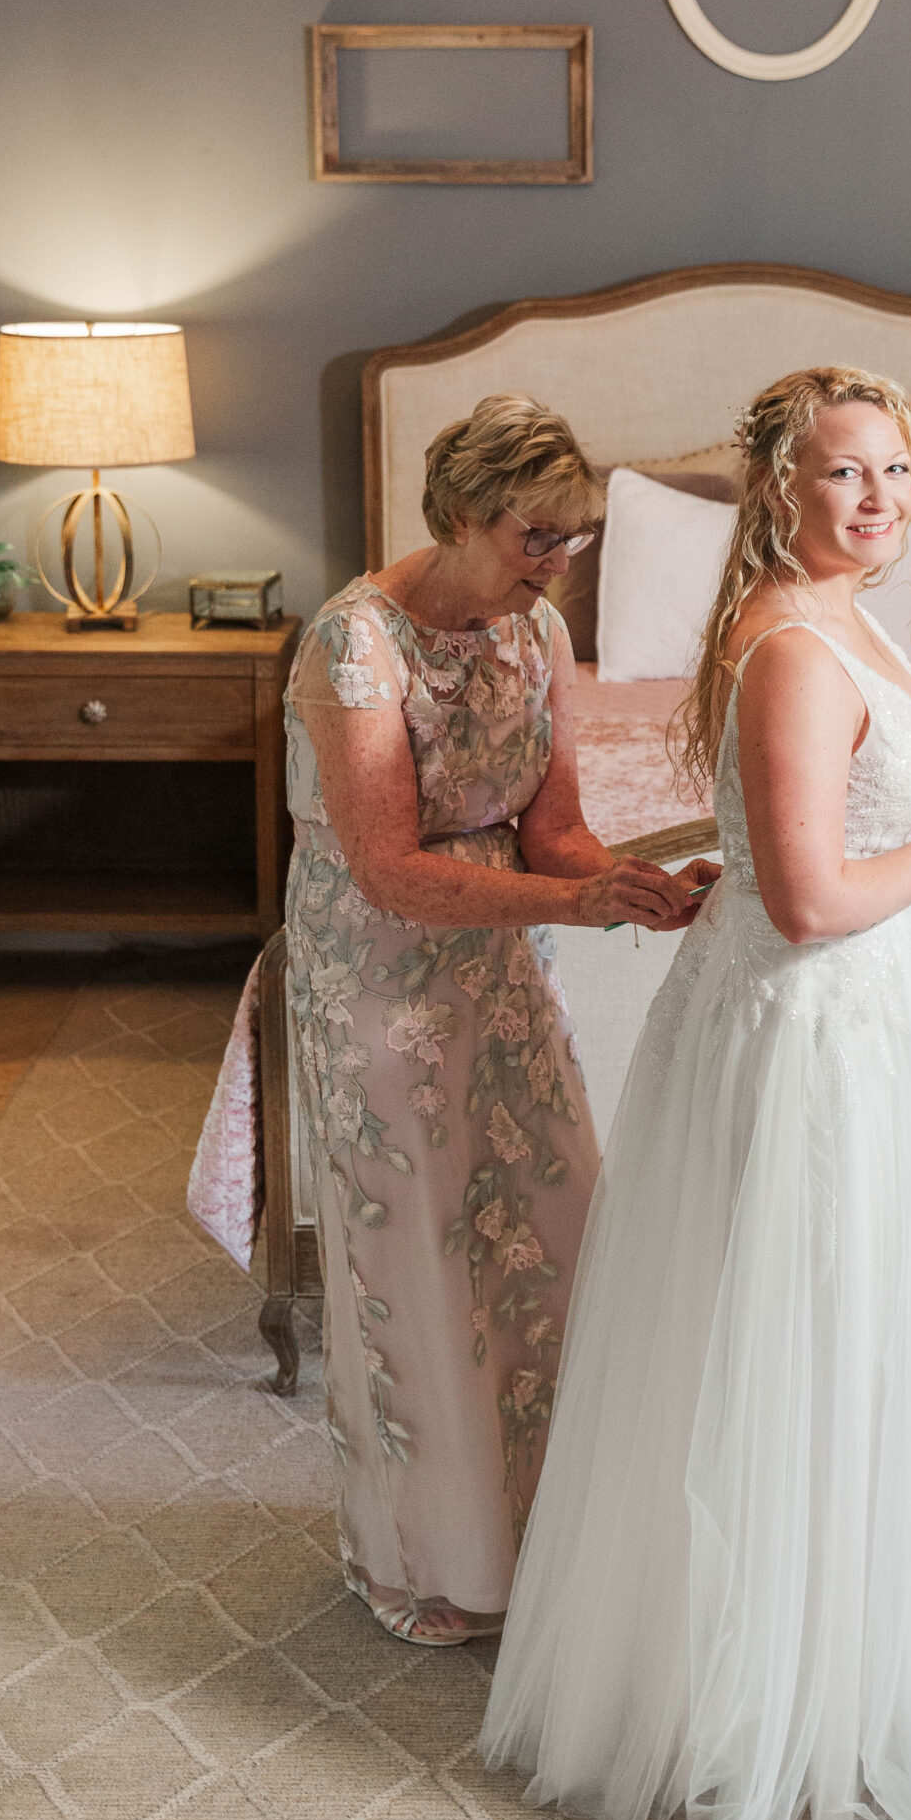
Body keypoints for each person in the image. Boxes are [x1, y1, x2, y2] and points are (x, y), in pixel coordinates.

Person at [480, 366, 911, 1820]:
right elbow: (816, 898)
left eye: (897, 472)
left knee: (874, 1328)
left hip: (879, 1018)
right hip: (818, 1028)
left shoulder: (839, 618)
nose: (880, 499)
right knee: (810, 1331)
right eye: (845, 475)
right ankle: (786, 1690)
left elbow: (819, 846)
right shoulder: (790, 650)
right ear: (776, 490)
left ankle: (872, 1634)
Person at [284, 394, 706, 1647]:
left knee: (546, 1220)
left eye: (575, 538)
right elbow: (391, 867)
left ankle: (551, 1535)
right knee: (418, 1247)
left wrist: (628, 883)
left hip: (499, 970)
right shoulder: (353, 645)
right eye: (539, 535)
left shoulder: (537, 629)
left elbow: (554, 827)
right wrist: (573, 900)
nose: (559, 562)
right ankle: (433, 1557)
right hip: (378, 973)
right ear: (463, 513)